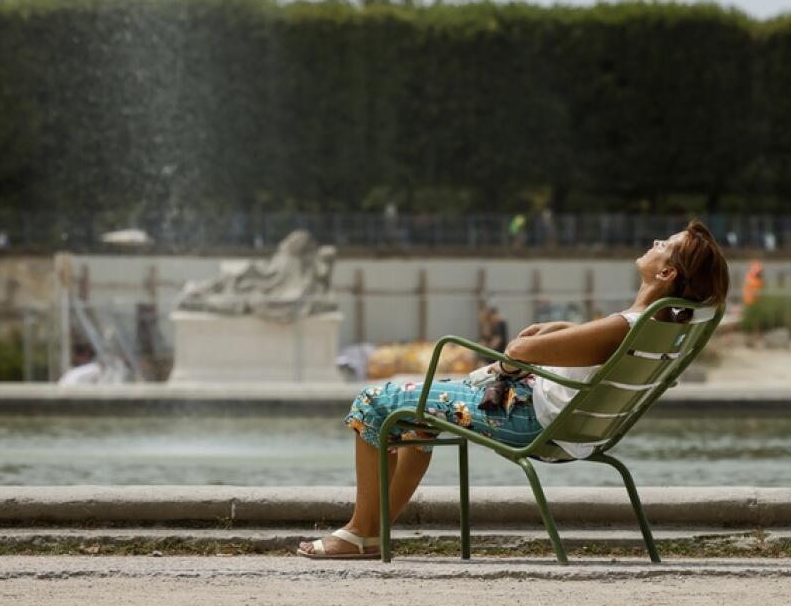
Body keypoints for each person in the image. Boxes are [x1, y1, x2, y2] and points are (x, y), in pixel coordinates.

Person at [296, 220, 730, 559]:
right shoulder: (648, 328)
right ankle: (372, 534)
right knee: (414, 418)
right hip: (563, 424)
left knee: (373, 402)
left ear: (667, 271)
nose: (654, 242)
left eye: (663, 245)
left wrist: (530, 346)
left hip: (524, 420)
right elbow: (587, 345)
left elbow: (520, 350)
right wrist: (563, 331)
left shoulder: (625, 327)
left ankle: (357, 533)